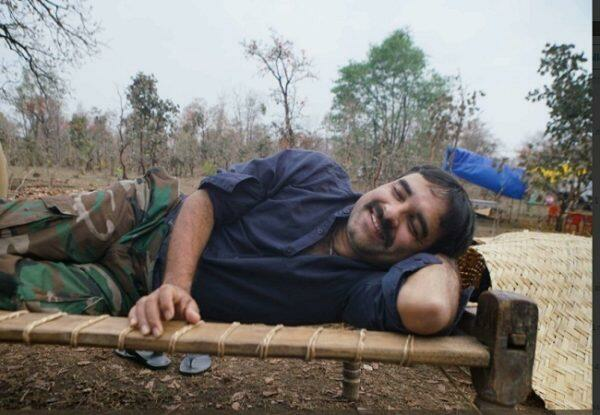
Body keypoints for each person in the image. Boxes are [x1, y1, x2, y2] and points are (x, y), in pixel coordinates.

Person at [0, 149, 475, 340]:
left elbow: (430, 307)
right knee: (12, 226)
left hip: (131, 291)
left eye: (414, 224)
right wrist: (177, 284)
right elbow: (207, 200)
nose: (390, 212)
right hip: (144, 214)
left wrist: (444, 260)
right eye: (399, 192)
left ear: (419, 253)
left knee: (12, 285)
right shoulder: (315, 174)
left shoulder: (359, 292)